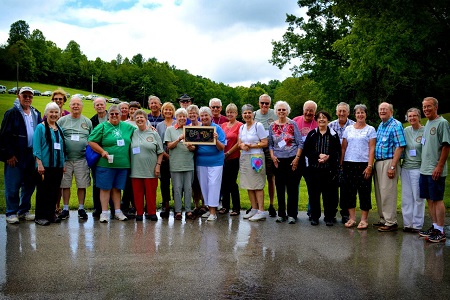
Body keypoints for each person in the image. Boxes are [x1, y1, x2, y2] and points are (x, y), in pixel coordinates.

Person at [88, 105, 136, 223]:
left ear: (121, 115)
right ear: (108, 115)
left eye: (117, 114)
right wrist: (102, 151)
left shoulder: (127, 127)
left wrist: (151, 129)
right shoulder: (102, 126)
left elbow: (140, 131)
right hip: (105, 164)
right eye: (112, 114)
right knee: (105, 188)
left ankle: (118, 211)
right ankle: (104, 213)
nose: (114, 116)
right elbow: (91, 141)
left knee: (117, 188)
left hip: (122, 164)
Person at [0, 87, 41, 224]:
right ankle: (11, 212)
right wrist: (8, 154)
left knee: (29, 184)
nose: (28, 98)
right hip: (16, 155)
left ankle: (24, 210)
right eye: (25, 95)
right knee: (13, 184)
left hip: (31, 154)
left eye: (30, 96)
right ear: (19, 96)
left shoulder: (36, 113)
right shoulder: (12, 113)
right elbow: (4, 135)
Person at [418, 97, 450, 243]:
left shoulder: (442, 123)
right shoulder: (427, 123)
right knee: (429, 199)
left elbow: (446, 146)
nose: (426, 109)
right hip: (425, 170)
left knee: (437, 199)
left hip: (435, 170)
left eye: (429, 106)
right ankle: (435, 226)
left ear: (436, 107)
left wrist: (439, 166)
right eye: (424, 107)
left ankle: (441, 231)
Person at [340, 104, 376, 229]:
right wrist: (341, 163)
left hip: (364, 164)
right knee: (350, 192)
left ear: (366, 114)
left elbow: (372, 149)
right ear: (354, 115)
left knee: (364, 192)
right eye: (358, 113)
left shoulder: (370, 129)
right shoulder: (348, 129)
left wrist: (370, 165)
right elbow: (343, 147)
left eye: (362, 112)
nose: (360, 115)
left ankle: (364, 219)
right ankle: (352, 218)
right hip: (349, 163)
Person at [57, 97, 93, 220]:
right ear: (70, 106)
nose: (76, 106)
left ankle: (81, 208)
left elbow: (91, 139)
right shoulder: (62, 120)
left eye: (78, 104)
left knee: (81, 184)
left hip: (82, 159)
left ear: (82, 106)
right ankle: (65, 208)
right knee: (65, 184)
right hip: (66, 159)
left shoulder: (87, 121)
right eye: (73, 104)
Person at [303, 111, 341, 226]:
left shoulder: (333, 134)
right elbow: (307, 150)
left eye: (324, 118)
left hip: (329, 170)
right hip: (314, 169)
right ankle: (315, 216)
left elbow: (337, 151)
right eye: (319, 118)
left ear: (328, 120)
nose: (321, 120)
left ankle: (329, 217)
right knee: (314, 194)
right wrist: (318, 155)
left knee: (328, 195)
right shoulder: (312, 134)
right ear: (316, 120)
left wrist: (328, 157)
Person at [374, 102, 406, 232]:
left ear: (391, 112)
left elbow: (400, 146)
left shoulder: (396, 125)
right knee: (380, 192)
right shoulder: (381, 125)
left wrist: (393, 166)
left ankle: (391, 222)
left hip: (389, 162)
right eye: (380, 109)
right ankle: (383, 219)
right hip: (379, 161)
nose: (382, 111)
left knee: (388, 192)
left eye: (385, 109)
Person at [269, 101, 303, 224]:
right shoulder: (272, 126)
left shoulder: (292, 124)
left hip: (292, 160)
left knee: (292, 188)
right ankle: (281, 214)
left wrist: (297, 158)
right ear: (276, 111)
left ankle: (292, 214)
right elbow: (270, 145)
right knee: (280, 188)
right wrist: (272, 157)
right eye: (279, 110)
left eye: (284, 110)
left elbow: (300, 143)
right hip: (278, 161)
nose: (281, 112)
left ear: (287, 111)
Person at [33, 102, 66, 225]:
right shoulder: (40, 127)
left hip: (57, 166)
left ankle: (51, 214)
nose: (53, 114)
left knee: (54, 191)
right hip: (44, 166)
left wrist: (63, 164)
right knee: (43, 191)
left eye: (56, 112)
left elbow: (62, 148)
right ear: (46, 113)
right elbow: (36, 147)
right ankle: (40, 216)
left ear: (59, 114)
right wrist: (39, 164)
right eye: (51, 112)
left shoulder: (59, 129)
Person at [130, 109, 164, 221]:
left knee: (151, 193)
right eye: (137, 117)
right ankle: (139, 212)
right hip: (136, 169)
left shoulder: (153, 133)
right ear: (135, 120)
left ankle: (151, 212)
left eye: (142, 117)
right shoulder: (132, 133)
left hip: (151, 169)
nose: (139, 119)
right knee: (137, 193)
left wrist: (158, 165)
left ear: (146, 119)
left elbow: (160, 152)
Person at [165, 108, 197, 220]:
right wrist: (179, 139)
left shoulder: (191, 130)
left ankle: (188, 211)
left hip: (188, 164)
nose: (182, 118)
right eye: (180, 116)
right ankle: (178, 211)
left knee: (188, 188)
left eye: (184, 116)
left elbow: (194, 148)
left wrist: (190, 147)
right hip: (175, 164)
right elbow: (169, 146)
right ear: (176, 118)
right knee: (177, 189)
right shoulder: (170, 130)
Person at [239, 104, 268, 221]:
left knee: (257, 184)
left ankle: (261, 210)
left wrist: (253, 146)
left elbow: (265, 142)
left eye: (249, 113)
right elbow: (239, 142)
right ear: (242, 115)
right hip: (245, 157)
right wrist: (242, 145)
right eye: (245, 113)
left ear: (253, 114)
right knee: (248, 184)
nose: (247, 115)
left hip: (256, 157)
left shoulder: (258, 126)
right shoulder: (242, 127)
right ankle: (254, 209)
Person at [196, 106, 226, 221]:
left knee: (213, 185)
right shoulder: (197, 129)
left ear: (210, 116)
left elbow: (222, 147)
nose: (204, 117)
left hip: (215, 162)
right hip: (201, 162)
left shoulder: (217, 129)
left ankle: (213, 212)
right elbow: (194, 147)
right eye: (202, 116)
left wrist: (216, 140)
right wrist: (190, 146)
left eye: (206, 115)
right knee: (205, 186)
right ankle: (209, 209)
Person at [328, 102, 355, 223]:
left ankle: (345, 213)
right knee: (332, 188)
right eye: (340, 111)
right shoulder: (330, 126)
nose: (342, 113)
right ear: (336, 112)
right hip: (333, 161)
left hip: (348, 161)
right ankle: (332, 212)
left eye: (344, 111)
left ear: (348, 113)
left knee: (346, 188)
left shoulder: (354, 125)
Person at [400, 108, 425, 233]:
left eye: (414, 116)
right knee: (406, 197)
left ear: (419, 117)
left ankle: (417, 224)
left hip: (418, 168)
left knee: (418, 197)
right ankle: (407, 223)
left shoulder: (424, 130)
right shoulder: (406, 130)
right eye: (410, 116)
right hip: (405, 168)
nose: (412, 118)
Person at [293, 100, 318, 220]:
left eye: (311, 111)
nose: (308, 113)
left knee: (312, 186)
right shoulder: (295, 121)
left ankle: (311, 211)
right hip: (296, 158)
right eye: (307, 110)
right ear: (303, 110)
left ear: (315, 112)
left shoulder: (318, 123)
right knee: (294, 186)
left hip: (311, 159)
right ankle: (293, 212)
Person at [254, 94, 278, 217]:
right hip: (257, 150)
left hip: (270, 149)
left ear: (270, 104)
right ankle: (256, 206)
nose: (264, 105)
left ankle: (271, 204)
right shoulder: (253, 115)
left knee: (270, 177)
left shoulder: (275, 113)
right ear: (259, 103)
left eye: (267, 103)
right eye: (262, 103)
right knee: (257, 176)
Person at [220, 103, 243, 216]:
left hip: (233, 157)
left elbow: (239, 143)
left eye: (232, 112)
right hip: (222, 157)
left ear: (236, 114)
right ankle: (225, 206)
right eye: (228, 112)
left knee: (232, 183)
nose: (230, 114)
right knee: (224, 182)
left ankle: (236, 207)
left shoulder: (240, 125)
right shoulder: (223, 125)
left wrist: (228, 153)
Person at [156, 102, 176, 218]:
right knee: (164, 183)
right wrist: (164, 155)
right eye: (166, 110)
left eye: (170, 110)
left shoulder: (177, 123)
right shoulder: (159, 126)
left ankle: (176, 203)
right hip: (163, 157)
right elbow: (158, 143)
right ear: (162, 111)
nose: (168, 112)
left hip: (176, 157)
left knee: (176, 182)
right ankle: (166, 204)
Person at [90, 97, 108, 218]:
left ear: (105, 106)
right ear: (94, 107)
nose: (100, 107)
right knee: (97, 182)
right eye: (97, 105)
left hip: (112, 153)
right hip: (97, 154)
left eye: (101, 104)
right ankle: (98, 208)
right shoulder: (92, 121)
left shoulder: (112, 116)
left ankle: (112, 208)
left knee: (111, 182)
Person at [186, 104, 205, 215]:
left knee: (202, 181)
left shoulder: (203, 126)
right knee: (194, 183)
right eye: (190, 113)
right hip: (191, 158)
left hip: (202, 157)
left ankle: (204, 204)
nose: (192, 115)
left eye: (194, 113)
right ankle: (196, 204)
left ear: (197, 114)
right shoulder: (187, 128)